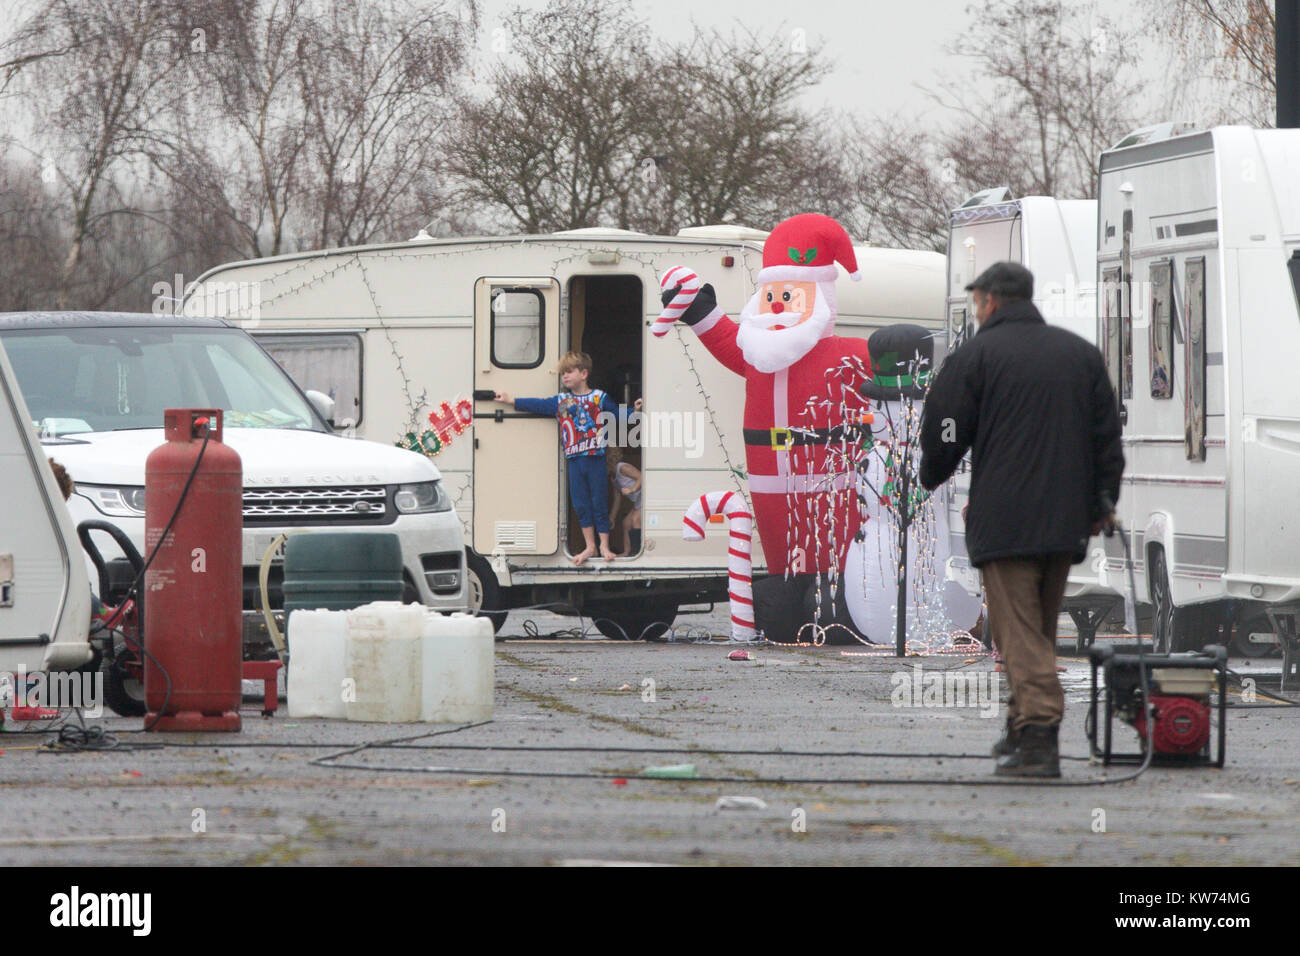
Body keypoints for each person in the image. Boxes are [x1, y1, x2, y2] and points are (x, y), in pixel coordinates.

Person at [919, 261, 1124, 778]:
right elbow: (1107, 439)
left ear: (989, 301)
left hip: (1006, 520)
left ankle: (1038, 735)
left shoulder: (975, 357)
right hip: (1065, 522)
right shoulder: (1080, 355)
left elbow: (945, 426)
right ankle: (1019, 728)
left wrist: (931, 473)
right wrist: (1102, 502)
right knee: (1033, 630)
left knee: (1019, 632)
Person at [494, 351, 641, 566]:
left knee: (599, 502)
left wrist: (632, 412)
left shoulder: (599, 398)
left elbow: (614, 414)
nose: (564, 376)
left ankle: (604, 545)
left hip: (595, 458)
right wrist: (512, 400)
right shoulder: (564, 401)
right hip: (574, 461)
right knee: (580, 504)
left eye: (569, 372)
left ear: (583, 373)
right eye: (562, 373)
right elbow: (540, 405)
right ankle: (590, 546)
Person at [606, 447, 642, 556]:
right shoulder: (613, 477)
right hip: (638, 501)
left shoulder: (622, 467)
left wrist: (633, 489)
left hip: (646, 498)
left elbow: (642, 476)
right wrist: (612, 517)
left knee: (636, 519)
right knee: (626, 523)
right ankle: (627, 552)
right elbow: (617, 497)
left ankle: (637, 552)